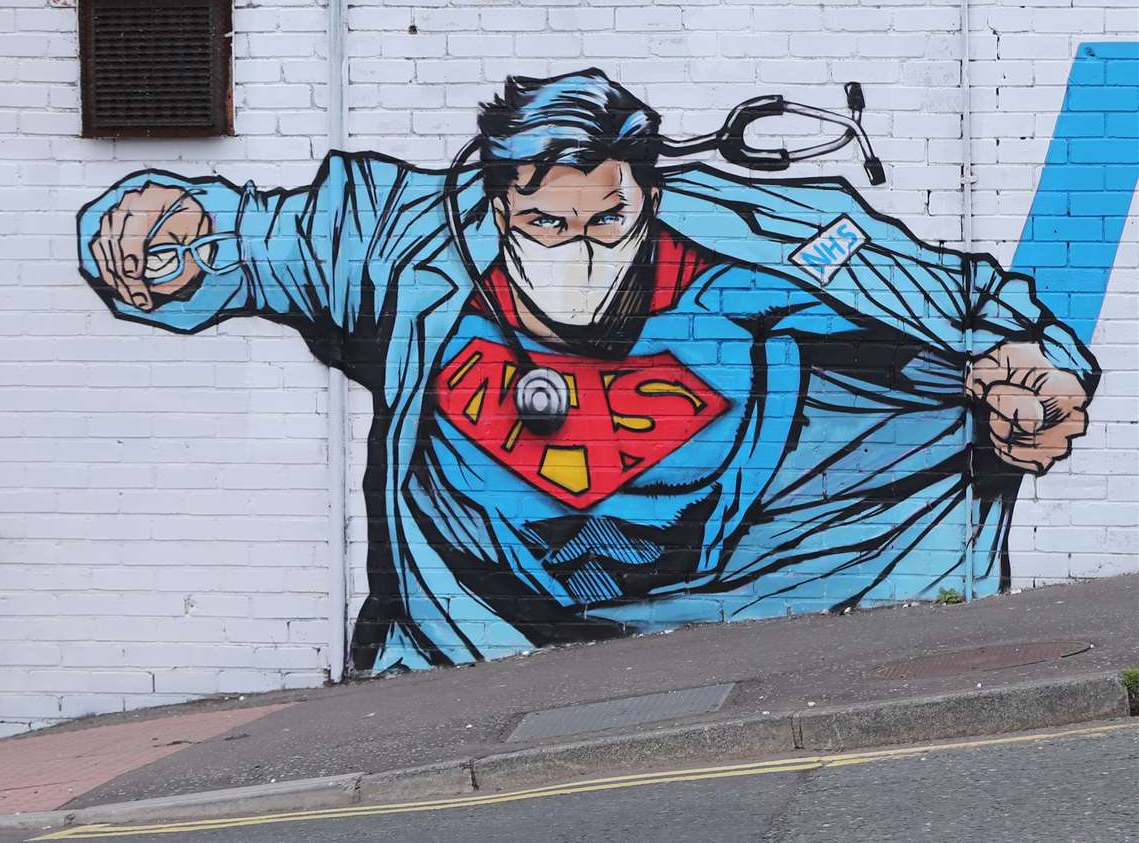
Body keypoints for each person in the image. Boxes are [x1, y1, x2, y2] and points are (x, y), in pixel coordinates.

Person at [76, 68, 1098, 673]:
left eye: (608, 218)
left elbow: (964, 308)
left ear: (649, 195)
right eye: (544, 222)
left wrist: (1031, 377)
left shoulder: (763, 241)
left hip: (752, 592)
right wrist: (165, 225)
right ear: (494, 203)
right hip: (472, 632)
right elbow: (256, 237)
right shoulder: (404, 243)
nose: (580, 244)